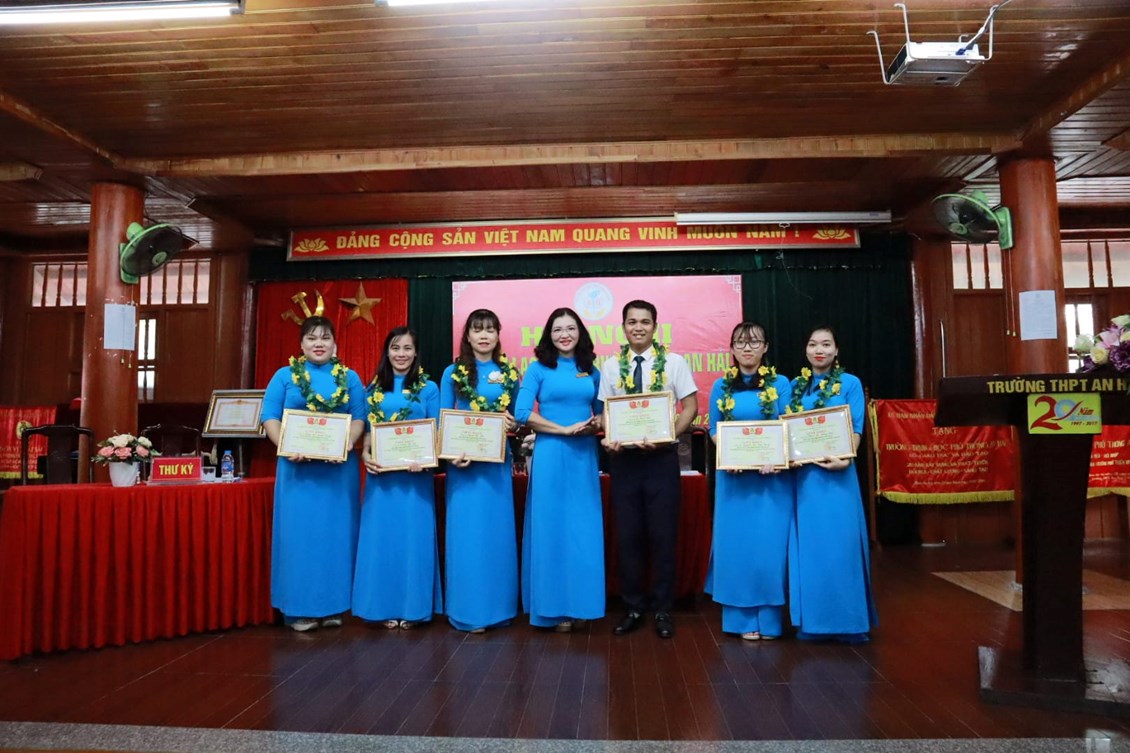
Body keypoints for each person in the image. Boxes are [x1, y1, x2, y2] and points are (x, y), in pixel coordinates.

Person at [598, 299, 698, 639]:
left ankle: (663, 609)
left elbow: (691, 407)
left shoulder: (674, 362)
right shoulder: (611, 366)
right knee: (628, 537)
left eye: (644, 322)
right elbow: (606, 413)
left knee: (662, 535)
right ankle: (633, 607)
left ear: (655, 326)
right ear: (623, 327)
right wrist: (610, 436)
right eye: (632, 322)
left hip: (661, 461)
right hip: (624, 462)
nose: (638, 327)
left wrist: (669, 435)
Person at [261, 316, 367, 632]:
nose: (318, 344)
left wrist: (346, 443)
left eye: (325, 338)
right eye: (311, 338)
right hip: (297, 472)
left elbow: (359, 418)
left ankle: (334, 606)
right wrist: (286, 445)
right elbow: (269, 417)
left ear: (335, 343)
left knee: (336, 537)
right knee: (299, 538)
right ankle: (299, 609)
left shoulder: (349, 378)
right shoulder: (284, 376)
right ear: (301, 344)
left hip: (337, 473)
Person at [514, 307, 604, 632]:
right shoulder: (537, 369)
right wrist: (562, 430)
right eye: (557, 329)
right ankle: (551, 609)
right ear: (548, 336)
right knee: (550, 527)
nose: (564, 334)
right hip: (551, 454)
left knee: (583, 531)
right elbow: (522, 412)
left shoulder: (591, 371)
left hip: (583, 456)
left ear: (580, 333)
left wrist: (594, 424)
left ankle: (583, 606)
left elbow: (602, 414)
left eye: (570, 328)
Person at [786, 325, 878, 643]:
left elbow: (856, 427)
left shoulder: (849, 383)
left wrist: (847, 457)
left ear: (836, 350)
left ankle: (850, 624)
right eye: (813, 344)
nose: (819, 350)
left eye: (826, 344)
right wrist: (788, 456)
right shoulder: (796, 386)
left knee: (842, 548)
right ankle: (813, 624)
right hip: (805, 479)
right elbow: (786, 430)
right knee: (810, 551)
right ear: (806, 350)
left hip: (838, 477)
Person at [705, 322, 793, 641]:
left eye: (754, 342)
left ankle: (770, 620)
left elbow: (786, 425)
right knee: (737, 548)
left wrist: (776, 456)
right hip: (734, 479)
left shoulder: (781, 384)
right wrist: (731, 455)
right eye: (740, 342)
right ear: (731, 349)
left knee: (769, 548)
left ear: (765, 347)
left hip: (772, 480)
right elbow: (714, 429)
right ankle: (740, 620)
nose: (747, 348)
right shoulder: (721, 386)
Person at [352, 326, 442, 629]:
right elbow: (367, 430)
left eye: (407, 348)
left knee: (414, 541)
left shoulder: (429, 388)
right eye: (395, 347)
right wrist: (366, 454)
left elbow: (435, 430)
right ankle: (383, 607)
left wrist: (426, 459)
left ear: (416, 353)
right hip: (382, 479)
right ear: (386, 352)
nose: (401, 354)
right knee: (383, 541)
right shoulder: (373, 389)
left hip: (416, 479)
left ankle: (414, 609)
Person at [439, 309, 520, 633]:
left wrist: (515, 423)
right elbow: (443, 417)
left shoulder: (509, 373)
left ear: (498, 335)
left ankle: (499, 609)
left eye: (489, 330)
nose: (484, 336)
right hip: (464, 467)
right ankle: (466, 610)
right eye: (477, 329)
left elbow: (516, 417)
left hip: (496, 466)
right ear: (467, 336)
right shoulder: (452, 372)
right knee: (467, 538)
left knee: (496, 536)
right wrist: (450, 457)